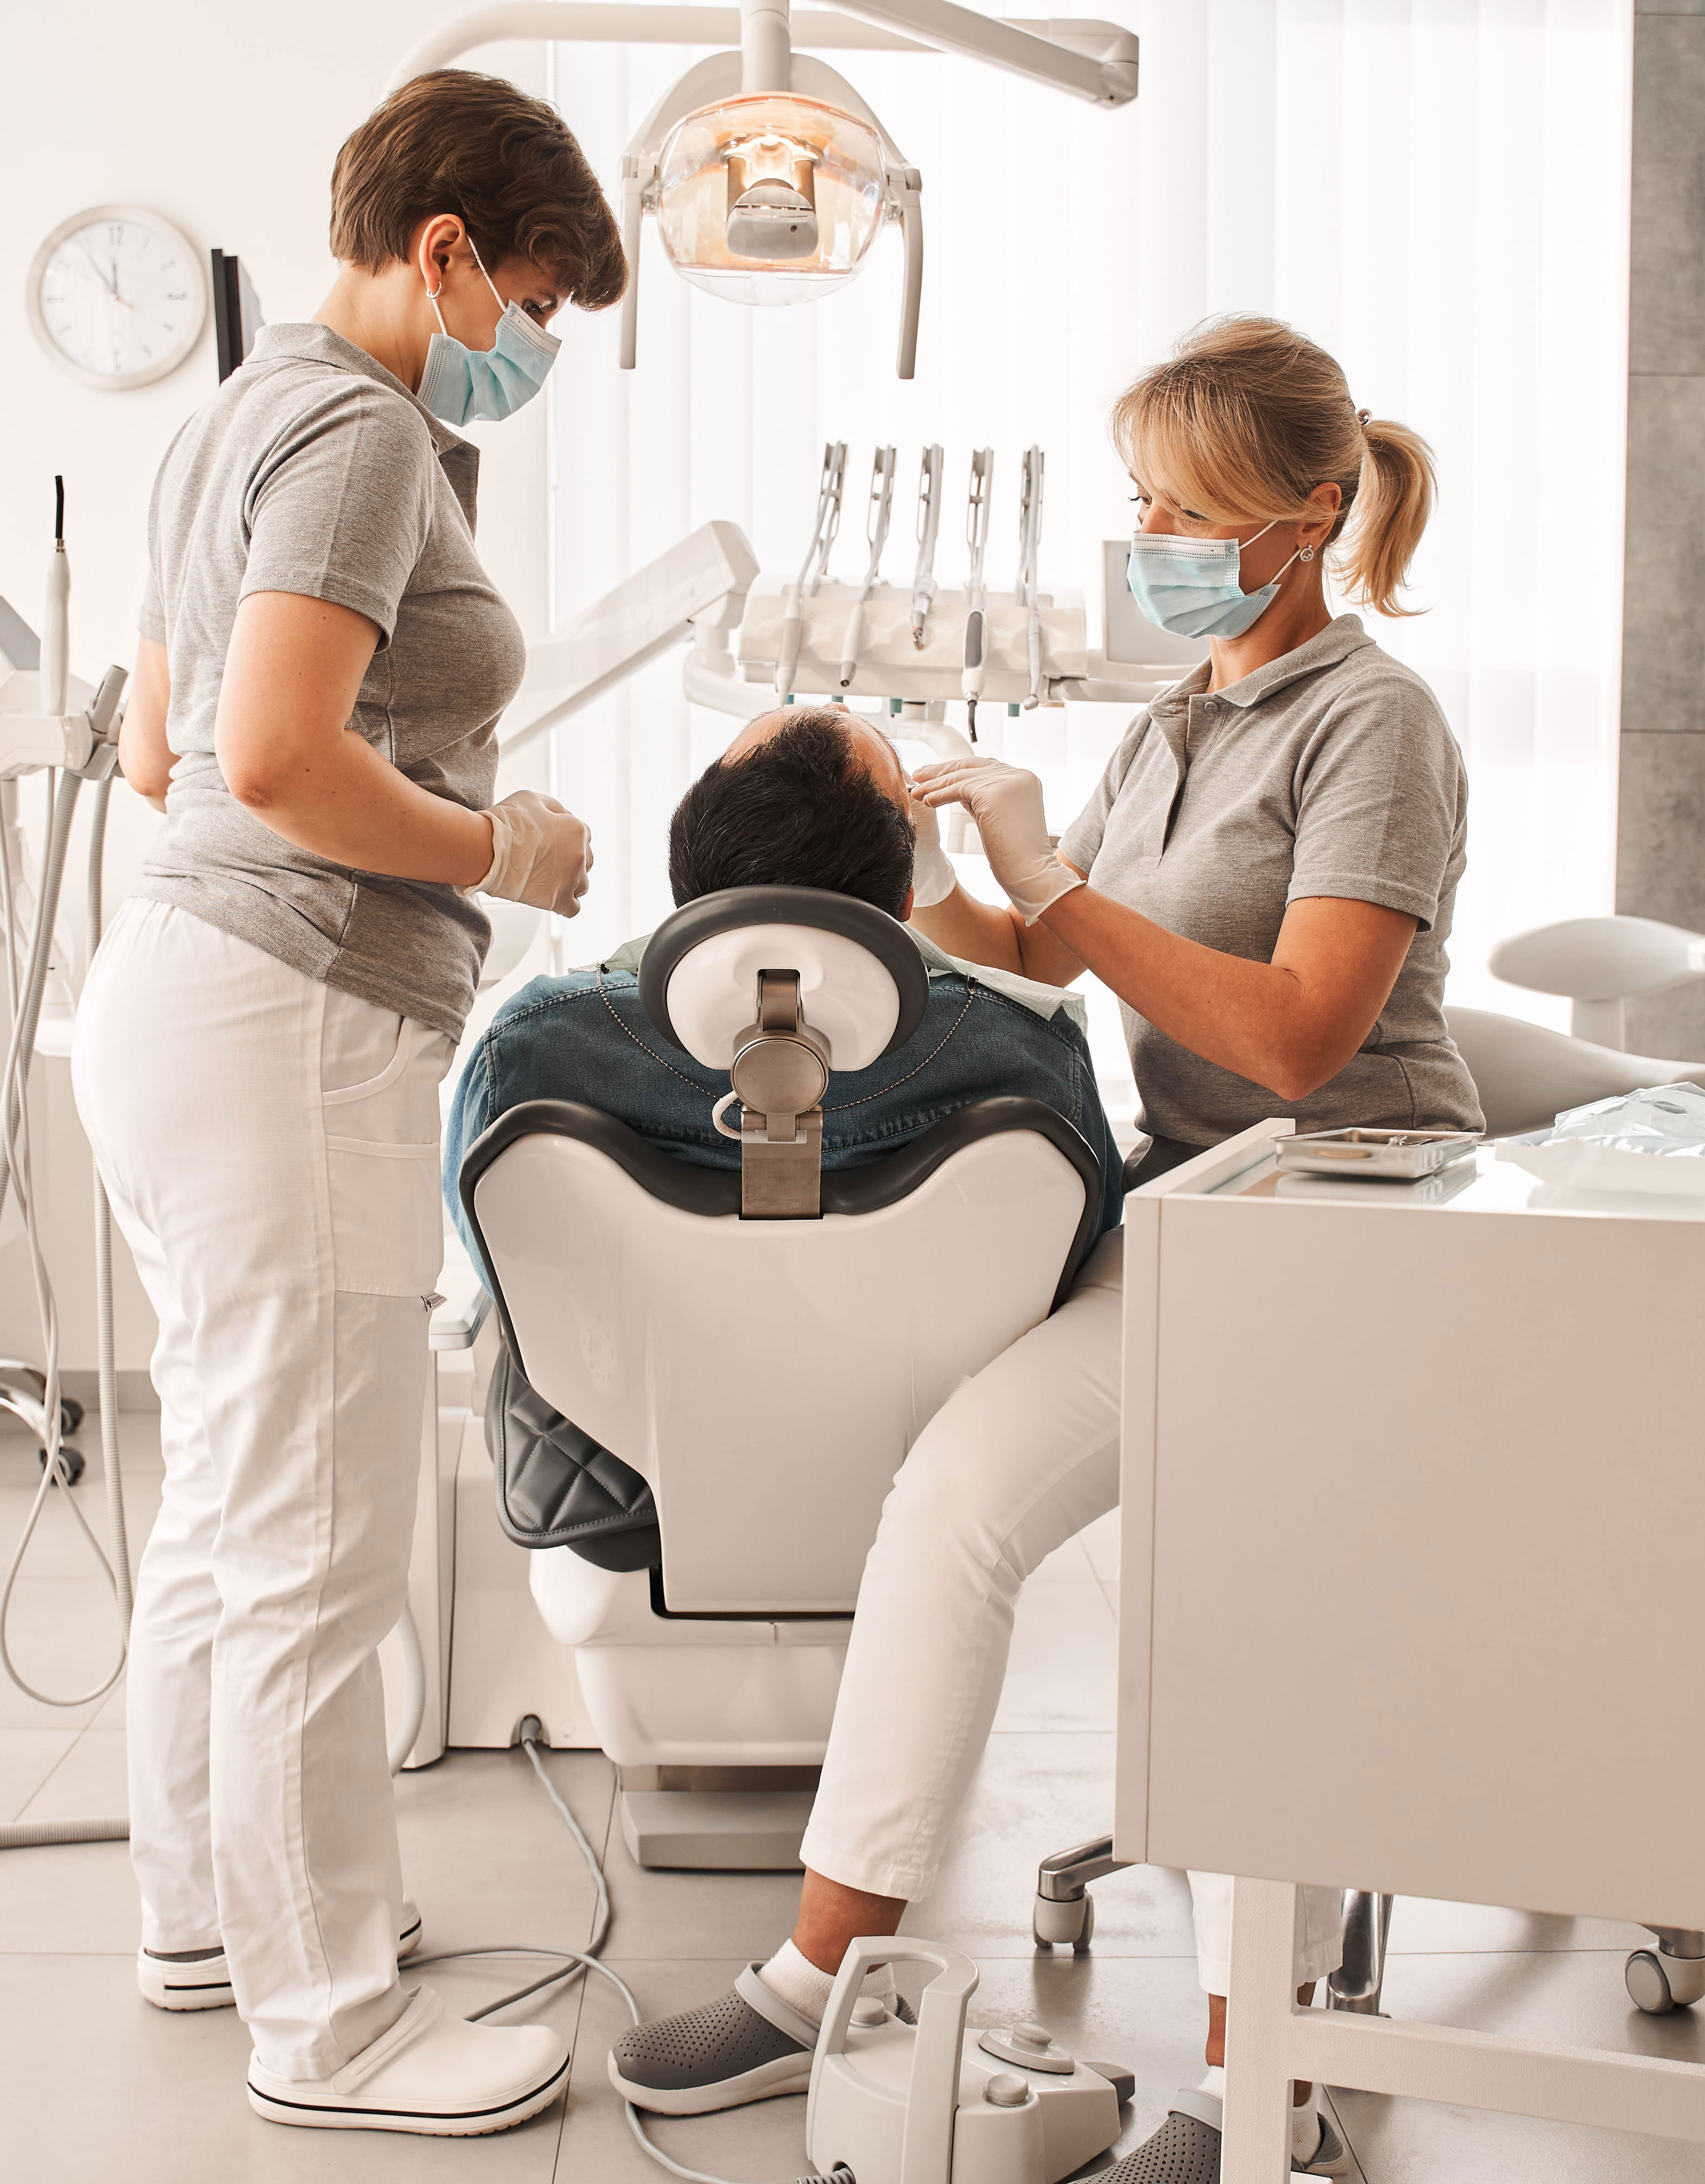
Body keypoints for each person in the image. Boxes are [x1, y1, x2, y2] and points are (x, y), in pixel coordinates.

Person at [610, 317, 1481, 2183]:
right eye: (1140, 500)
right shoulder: (1174, 724)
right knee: (951, 1503)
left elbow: (1297, 1038)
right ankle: (815, 1976)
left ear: (1310, 517)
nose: (1149, 537)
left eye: (1186, 507)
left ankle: (1265, 2088)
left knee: (1239, 1593)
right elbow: (1033, 957)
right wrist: (919, 859)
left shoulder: (1375, 726)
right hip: (1199, 1210)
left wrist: (1057, 884)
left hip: (1355, 1218)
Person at [70, 70, 620, 2139]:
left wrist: (423, 801)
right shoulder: (367, 434)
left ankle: (203, 1924)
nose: (535, 347)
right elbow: (282, 761)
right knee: (313, 1538)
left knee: (228, 1509)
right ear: (446, 249)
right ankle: (328, 2023)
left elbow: (162, 752)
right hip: (286, 1013)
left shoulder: (231, 417)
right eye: (535, 302)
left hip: (184, 995)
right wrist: (499, 848)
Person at [445, 704, 1124, 1256]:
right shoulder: (1030, 1054)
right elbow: (1078, 1251)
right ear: (908, 896)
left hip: (615, 1386)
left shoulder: (535, 1045)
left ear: (687, 872)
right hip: (954, 1387)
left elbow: (494, 1250)